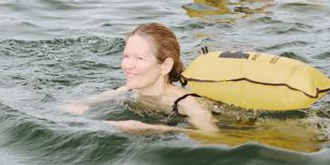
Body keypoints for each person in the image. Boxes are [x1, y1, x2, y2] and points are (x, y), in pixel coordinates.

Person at [60, 22, 217, 134]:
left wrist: (153, 128)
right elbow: (80, 103)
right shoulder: (128, 90)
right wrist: (77, 105)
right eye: (126, 56)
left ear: (165, 66)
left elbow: (212, 135)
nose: (127, 65)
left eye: (139, 58)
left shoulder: (187, 103)